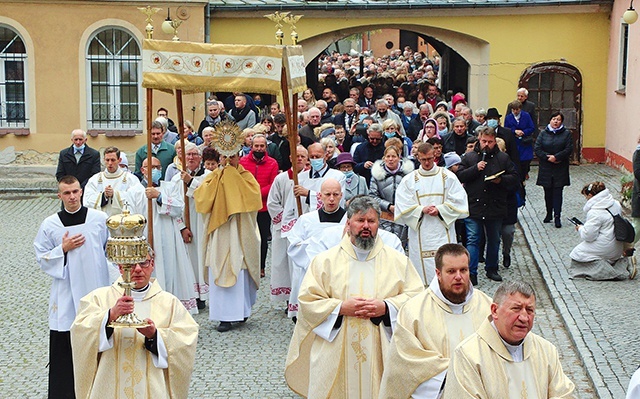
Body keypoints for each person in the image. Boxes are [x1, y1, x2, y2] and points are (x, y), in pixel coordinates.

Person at [284, 196, 424, 398]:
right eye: (360, 220)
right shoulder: (325, 262)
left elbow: (416, 298)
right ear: (348, 224)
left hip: (382, 349)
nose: (366, 226)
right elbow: (307, 301)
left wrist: (386, 307)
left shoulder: (398, 261)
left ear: (379, 224)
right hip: (336, 350)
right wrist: (340, 308)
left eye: (371, 221)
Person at [70, 248, 199, 399]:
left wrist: (155, 336)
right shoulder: (99, 298)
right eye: (131, 264)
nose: (138, 269)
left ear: (152, 264)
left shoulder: (169, 303)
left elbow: (186, 340)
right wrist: (110, 315)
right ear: (120, 267)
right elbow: (79, 331)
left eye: (143, 263)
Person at [379, 244, 492, 399]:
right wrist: (460, 372)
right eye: (451, 271)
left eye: (463, 270)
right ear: (438, 273)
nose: (458, 277)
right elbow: (405, 362)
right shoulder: (414, 311)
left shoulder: (487, 306)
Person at [34, 175, 110, 398]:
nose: (72, 197)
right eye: (67, 193)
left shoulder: (99, 218)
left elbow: (110, 251)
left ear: (82, 192)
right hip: (66, 294)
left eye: (75, 191)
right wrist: (62, 249)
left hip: (97, 291)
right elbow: (42, 257)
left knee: (99, 343)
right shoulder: (50, 225)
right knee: (65, 347)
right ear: (60, 196)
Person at [443, 281, 575, 398]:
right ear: (494, 310)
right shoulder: (468, 355)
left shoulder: (546, 351)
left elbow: (563, 394)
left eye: (529, 310)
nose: (524, 317)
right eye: (516, 309)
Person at [194, 152, 262, 332]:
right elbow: (201, 199)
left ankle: (243, 310)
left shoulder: (246, 177)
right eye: (225, 156)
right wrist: (222, 178)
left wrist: (232, 180)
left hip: (240, 230)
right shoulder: (214, 177)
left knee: (241, 270)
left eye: (232, 156)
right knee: (220, 267)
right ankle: (224, 316)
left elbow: (255, 199)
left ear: (238, 156)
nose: (229, 160)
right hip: (220, 232)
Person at [395, 143, 469, 285]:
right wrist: (421, 210)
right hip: (420, 233)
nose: (427, 163)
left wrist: (440, 209)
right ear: (418, 158)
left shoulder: (447, 176)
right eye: (423, 160)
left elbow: (459, 201)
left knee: (447, 262)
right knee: (421, 276)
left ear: (435, 156)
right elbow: (402, 204)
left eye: (430, 158)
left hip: (443, 229)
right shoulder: (409, 180)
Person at [456, 126, 519, 284]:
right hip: (474, 205)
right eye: (484, 141)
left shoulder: (503, 158)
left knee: (494, 239)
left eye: (490, 142)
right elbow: (460, 175)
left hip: (495, 205)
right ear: (479, 139)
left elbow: (514, 178)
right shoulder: (469, 157)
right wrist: (475, 169)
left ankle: (492, 268)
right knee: (473, 239)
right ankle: (471, 272)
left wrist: (501, 180)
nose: (486, 144)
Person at [139, 157, 199, 314]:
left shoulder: (169, 187)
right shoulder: (135, 190)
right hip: (146, 238)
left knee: (170, 272)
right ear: (142, 170)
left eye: (158, 167)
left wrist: (159, 196)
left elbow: (179, 207)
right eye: (150, 167)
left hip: (169, 238)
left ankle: (170, 309)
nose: (155, 170)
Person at [286, 178, 347, 319]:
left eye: (336, 194)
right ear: (319, 196)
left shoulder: (349, 220)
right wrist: (315, 254)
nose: (331, 199)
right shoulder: (306, 220)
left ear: (341, 195)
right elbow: (294, 246)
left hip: (339, 273)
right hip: (310, 271)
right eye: (327, 194)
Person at [267, 146, 309, 305]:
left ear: (307, 159)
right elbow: (272, 203)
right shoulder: (281, 178)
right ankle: (287, 298)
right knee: (283, 262)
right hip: (284, 229)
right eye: (296, 156)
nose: (299, 159)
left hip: (304, 228)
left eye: (302, 156)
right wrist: (288, 220)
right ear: (291, 158)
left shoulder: (309, 179)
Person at [569, 181, 630, 280]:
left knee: (577, 253)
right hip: (618, 245)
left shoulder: (595, 212)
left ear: (590, 195)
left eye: (586, 197)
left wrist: (580, 228)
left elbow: (589, 236)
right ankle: (614, 264)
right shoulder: (616, 204)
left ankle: (607, 272)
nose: (586, 199)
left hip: (605, 246)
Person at [172, 143, 208, 308]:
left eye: (194, 154)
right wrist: (181, 227)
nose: (191, 157)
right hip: (185, 225)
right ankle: (191, 293)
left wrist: (191, 182)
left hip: (203, 224)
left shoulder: (208, 176)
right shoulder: (175, 179)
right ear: (182, 157)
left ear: (200, 158)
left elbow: (207, 195)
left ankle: (205, 293)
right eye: (188, 155)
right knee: (187, 259)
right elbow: (173, 206)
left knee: (202, 258)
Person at [239, 134, 279, 278]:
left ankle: (261, 266)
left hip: (263, 206)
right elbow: (240, 181)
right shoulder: (242, 162)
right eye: (256, 146)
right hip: (247, 206)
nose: (259, 148)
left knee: (262, 238)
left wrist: (256, 194)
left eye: (262, 146)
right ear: (251, 146)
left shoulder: (272, 163)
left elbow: (273, 184)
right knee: (247, 237)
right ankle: (247, 265)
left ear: (265, 147)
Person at [534, 111, 573, 228]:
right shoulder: (543, 133)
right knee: (547, 192)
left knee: (557, 192)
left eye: (558, 120)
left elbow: (568, 149)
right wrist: (547, 157)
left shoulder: (566, 134)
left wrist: (557, 157)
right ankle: (548, 213)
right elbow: (537, 148)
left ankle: (557, 216)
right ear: (550, 120)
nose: (556, 121)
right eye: (554, 119)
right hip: (546, 167)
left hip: (560, 167)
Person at [370, 144, 414, 247]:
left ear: (399, 158)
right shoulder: (377, 175)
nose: (390, 159)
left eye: (394, 156)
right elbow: (372, 196)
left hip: (403, 216)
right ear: (384, 158)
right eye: (388, 156)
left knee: (400, 247)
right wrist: (388, 206)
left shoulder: (408, 175)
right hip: (384, 217)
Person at [83, 146, 146, 216]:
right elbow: (87, 200)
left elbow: (137, 199)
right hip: (101, 221)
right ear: (103, 160)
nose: (110, 163)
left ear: (119, 160)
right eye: (107, 160)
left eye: (113, 160)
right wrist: (104, 196)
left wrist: (115, 195)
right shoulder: (95, 179)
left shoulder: (130, 179)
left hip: (124, 222)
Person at [294, 142, 346, 214]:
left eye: (317, 157)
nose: (314, 159)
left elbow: (338, 201)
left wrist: (309, 194)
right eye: (312, 157)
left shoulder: (338, 176)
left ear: (326, 156)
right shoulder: (300, 177)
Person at [504, 100, 536, 182]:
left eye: (517, 110)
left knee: (525, 163)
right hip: (514, 142)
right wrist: (514, 131)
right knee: (515, 162)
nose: (515, 111)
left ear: (520, 109)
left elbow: (532, 127)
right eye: (513, 110)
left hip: (525, 143)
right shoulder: (509, 118)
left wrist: (523, 132)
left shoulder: (526, 116)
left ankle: (523, 177)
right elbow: (506, 129)